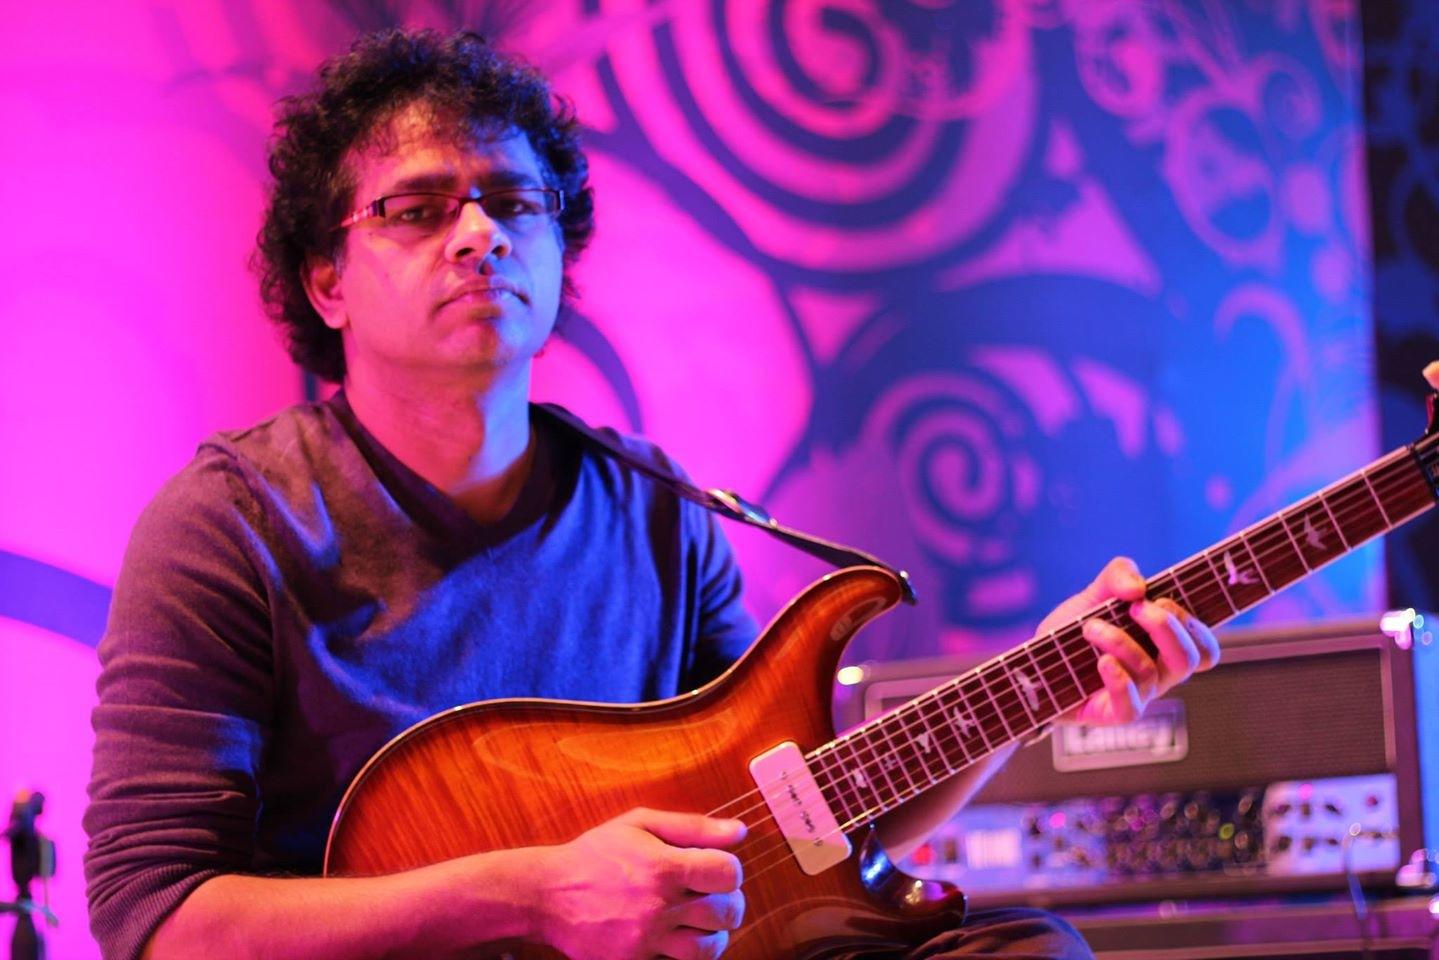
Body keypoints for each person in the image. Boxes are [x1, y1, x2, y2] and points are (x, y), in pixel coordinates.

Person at [83, 28, 1220, 960]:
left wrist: (1044, 675)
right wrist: (532, 894)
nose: (479, 236)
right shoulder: (227, 525)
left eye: (512, 203)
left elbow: (799, 824)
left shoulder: (656, 510)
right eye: (417, 209)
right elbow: (157, 920)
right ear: (326, 283)